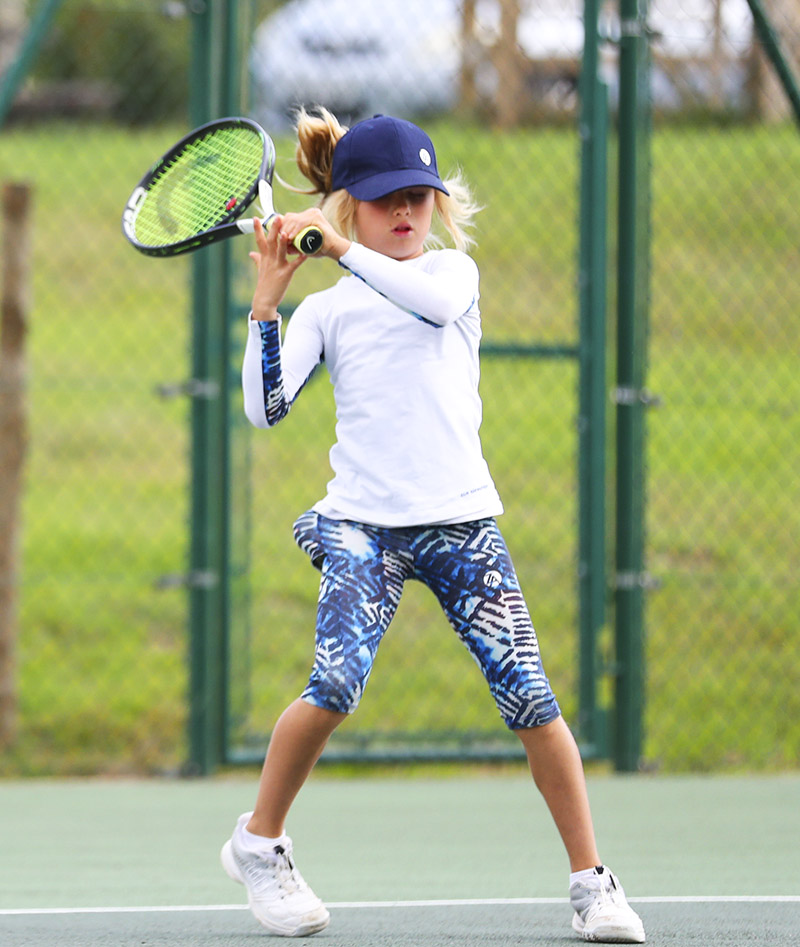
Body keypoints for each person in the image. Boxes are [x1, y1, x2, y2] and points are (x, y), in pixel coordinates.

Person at [220, 109, 646, 944]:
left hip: (462, 524)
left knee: (530, 697)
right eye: (385, 202)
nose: (405, 212)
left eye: (419, 196)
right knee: (335, 683)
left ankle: (593, 883)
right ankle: (258, 843)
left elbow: (418, 301)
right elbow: (263, 409)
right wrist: (267, 309)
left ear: (439, 203)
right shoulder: (328, 313)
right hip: (361, 528)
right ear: (350, 204)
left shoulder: (454, 277)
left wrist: (341, 249)